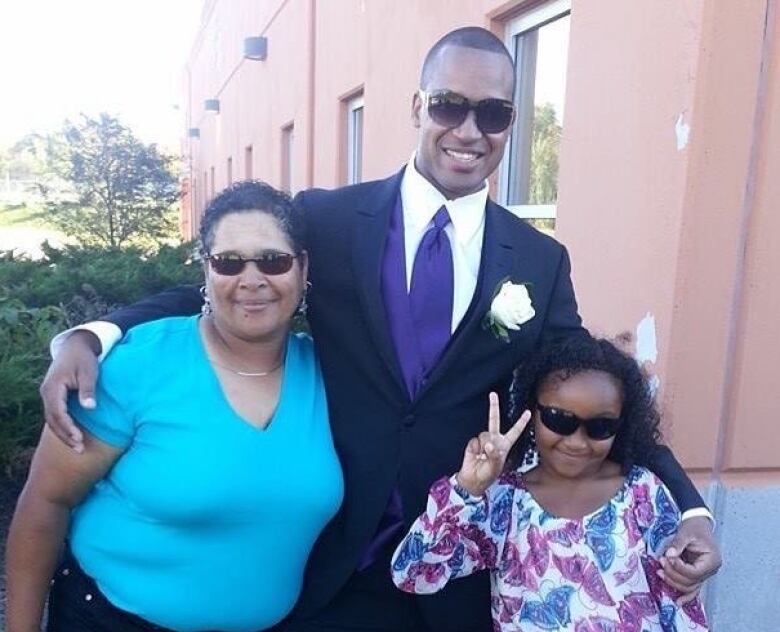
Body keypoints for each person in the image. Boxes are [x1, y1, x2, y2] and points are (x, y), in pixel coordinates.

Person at [38, 27, 719, 631]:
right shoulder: (330, 221)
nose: (469, 131)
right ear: (417, 107)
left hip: (455, 564)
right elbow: (225, 288)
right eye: (450, 105)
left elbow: (596, 391)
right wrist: (92, 335)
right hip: (331, 558)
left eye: (494, 113)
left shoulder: (538, 260)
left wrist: (691, 512)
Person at [6, 181, 343, 632]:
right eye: (228, 262)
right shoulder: (138, 365)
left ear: (302, 268)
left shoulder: (330, 375)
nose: (252, 279)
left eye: (273, 260)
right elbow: (45, 502)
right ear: (205, 270)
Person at [391, 335, 709, 631]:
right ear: (532, 412)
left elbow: (680, 606)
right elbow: (412, 572)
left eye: (600, 426)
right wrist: (465, 488)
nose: (577, 442)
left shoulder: (644, 493)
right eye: (560, 419)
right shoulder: (504, 503)